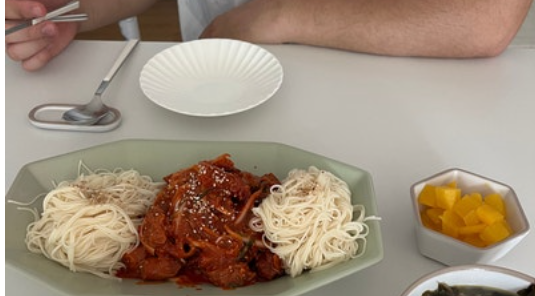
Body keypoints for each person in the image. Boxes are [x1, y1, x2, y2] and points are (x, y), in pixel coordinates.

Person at [5, 0, 533, 71]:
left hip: (398, 79)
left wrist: (280, 16)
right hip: (218, 77)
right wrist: (68, 10)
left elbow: (484, 17)